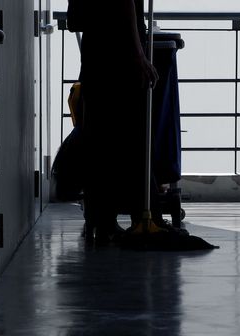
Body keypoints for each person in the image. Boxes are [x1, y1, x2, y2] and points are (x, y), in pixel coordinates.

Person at [79, 0, 159, 239]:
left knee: (99, 138)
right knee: (127, 138)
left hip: (95, 56)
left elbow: (75, 20)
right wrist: (139, 55)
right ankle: (137, 215)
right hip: (119, 58)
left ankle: (100, 220)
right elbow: (125, 4)